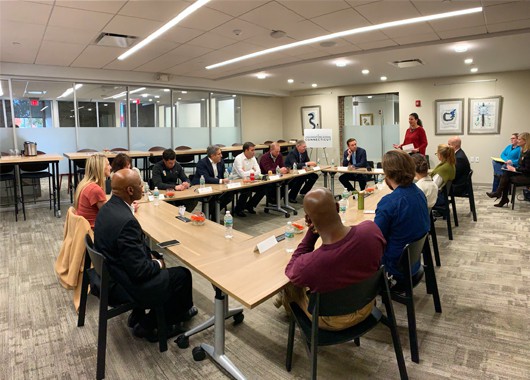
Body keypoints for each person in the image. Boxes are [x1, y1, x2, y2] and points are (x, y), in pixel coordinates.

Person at [94, 169, 197, 341]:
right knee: (182, 275)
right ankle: (152, 324)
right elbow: (139, 271)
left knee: (153, 253)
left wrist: (150, 256)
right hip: (124, 283)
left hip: (112, 272)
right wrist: (158, 263)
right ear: (130, 190)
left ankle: (141, 315)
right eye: (140, 185)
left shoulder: (107, 209)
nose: (143, 188)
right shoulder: (127, 222)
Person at [282, 187, 385, 330]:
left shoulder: (311, 264)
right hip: (367, 305)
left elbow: (290, 270)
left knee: (290, 285)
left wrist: (311, 234)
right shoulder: (371, 230)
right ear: (337, 207)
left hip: (334, 320)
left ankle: (285, 309)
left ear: (308, 219)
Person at [375, 150, 430, 287]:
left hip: (394, 269)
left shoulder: (389, 202)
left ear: (387, 174)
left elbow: (375, 240)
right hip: (413, 262)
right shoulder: (419, 193)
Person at [487, 132, 530, 207]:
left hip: (527, 176)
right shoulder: (522, 151)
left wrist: (515, 169)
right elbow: (503, 154)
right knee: (505, 173)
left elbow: (527, 169)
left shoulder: (528, 153)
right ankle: (501, 196)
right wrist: (514, 168)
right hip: (521, 171)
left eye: (519, 139)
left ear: (525, 141)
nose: (517, 141)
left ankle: (499, 195)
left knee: (506, 177)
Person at [191, 145, 231, 219]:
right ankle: (208, 217)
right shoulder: (202, 163)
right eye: (219, 154)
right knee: (212, 198)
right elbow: (206, 178)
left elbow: (222, 175)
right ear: (212, 155)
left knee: (229, 195)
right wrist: (221, 180)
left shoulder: (220, 161)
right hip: (202, 186)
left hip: (216, 185)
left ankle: (214, 215)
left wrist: (225, 179)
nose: (221, 156)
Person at [74, 154, 111, 228]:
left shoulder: (84, 184)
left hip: (84, 229)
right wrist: (129, 207)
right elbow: (110, 214)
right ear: (100, 168)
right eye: (108, 164)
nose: (111, 167)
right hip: (94, 231)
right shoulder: (95, 190)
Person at [232, 142, 267, 217]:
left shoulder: (253, 158)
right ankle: (238, 209)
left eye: (254, 150)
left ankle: (249, 205)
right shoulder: (238, 159)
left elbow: (259, 172)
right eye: (252, 150)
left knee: (264, 188)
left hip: (250, 180)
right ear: (246, 150)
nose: (254, 152)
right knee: (247, 189)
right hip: (237, 181)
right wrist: (252, 171)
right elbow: (242, 175)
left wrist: (249, 172)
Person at [430, 144, 456, 208]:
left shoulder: (443, 169)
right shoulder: (450, 164)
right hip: (443, 195)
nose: (437, 155)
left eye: (437, 154)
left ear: (441, 155)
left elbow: (433, 186)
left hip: (439, 198)